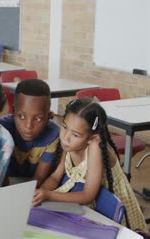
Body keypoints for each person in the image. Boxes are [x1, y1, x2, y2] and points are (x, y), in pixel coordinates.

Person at [33, 98, 146, 230]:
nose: (65, 137)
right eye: (64, 127)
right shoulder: (68, 144)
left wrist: (48, 195)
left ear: (92, 138)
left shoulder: (95, 147)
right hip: (92, 210)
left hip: (114, 216)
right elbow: (55, 177)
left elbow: (88, 195)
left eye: (75, 135)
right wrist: (41, 192)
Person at [0, 79, 59, 187]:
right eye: (21, 116)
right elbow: (0, 173)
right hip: (7, 185)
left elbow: (39, 177)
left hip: (33, 188)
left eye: (38, 119)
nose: (28, 126)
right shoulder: (3, 128)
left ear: (49, 117)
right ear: (13, 112)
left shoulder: (53, 135)